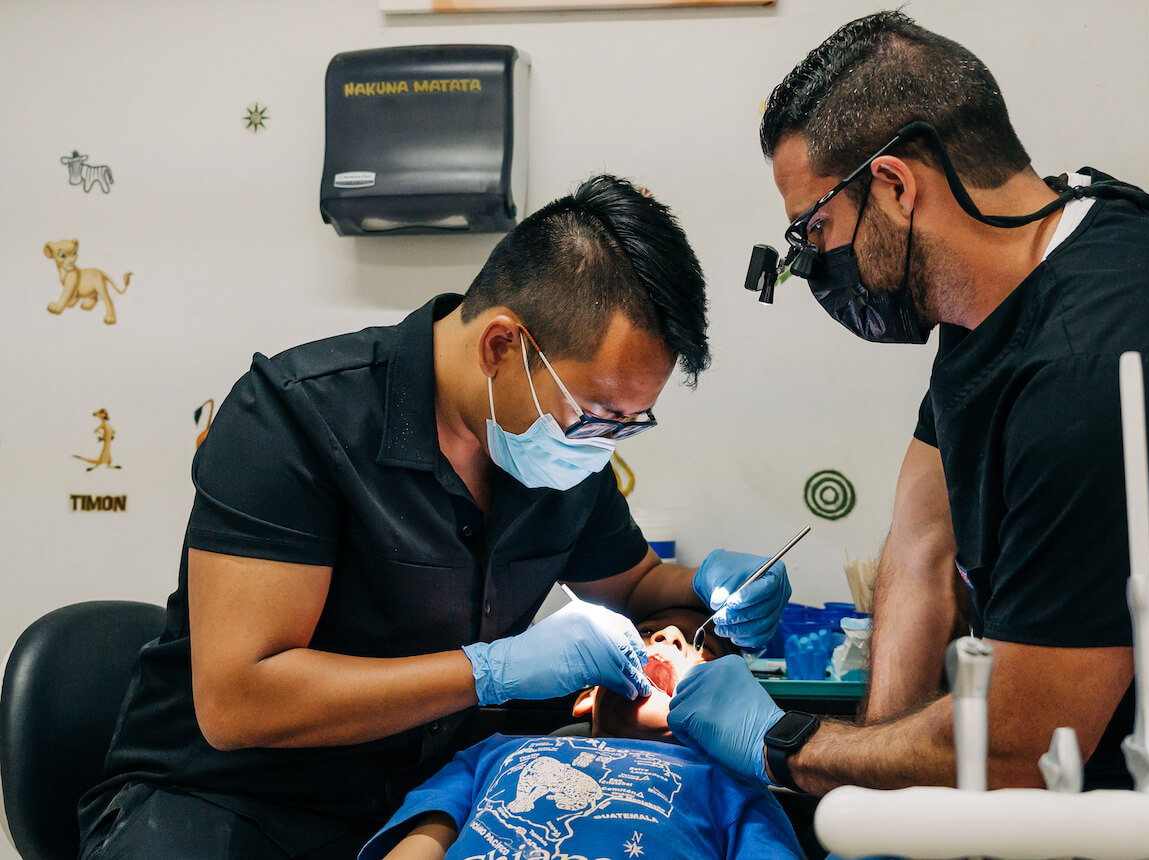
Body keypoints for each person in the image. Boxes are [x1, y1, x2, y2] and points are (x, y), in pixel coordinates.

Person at [77, 174, 792, 859]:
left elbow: (633, 587)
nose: (603, 443)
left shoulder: (561, 459)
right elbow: (239, 703)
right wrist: (490, 670)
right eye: (597, 416)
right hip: (222, 805)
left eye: (629, 425)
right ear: (502, 346)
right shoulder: (294, 418)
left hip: (420, 805)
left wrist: (711, 587)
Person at [668, 11, 1149, 799]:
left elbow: (1024, 748)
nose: (812, 264)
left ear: (894, 186)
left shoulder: (1092, 369)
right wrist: (877, 798)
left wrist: (782, 743)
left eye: (814, 231)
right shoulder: (1002, 277)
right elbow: (921, 542)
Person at [358, 606, 803, 860]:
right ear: (587, 694)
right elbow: (419, 847)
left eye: (698, 646)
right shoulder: (494, 754)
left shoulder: (734, 789)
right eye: (645, 634)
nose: (669, 636)